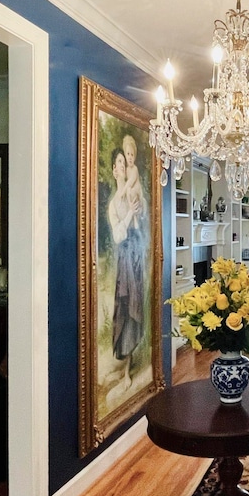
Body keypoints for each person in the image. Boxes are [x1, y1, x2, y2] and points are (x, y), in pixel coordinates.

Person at [108, 146, 146, 390]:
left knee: (135, 305)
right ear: (114, 170)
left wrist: (137, 213)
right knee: (124, 306)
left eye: (124, 161)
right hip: (125, 259)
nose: (122, 165)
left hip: (137, 256)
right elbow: (117, 235)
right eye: (119, 163)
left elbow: (139, 224)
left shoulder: (132, 194)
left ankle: (128, 369)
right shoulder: (113, 204)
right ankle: (123, 370)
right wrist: (128, 214)